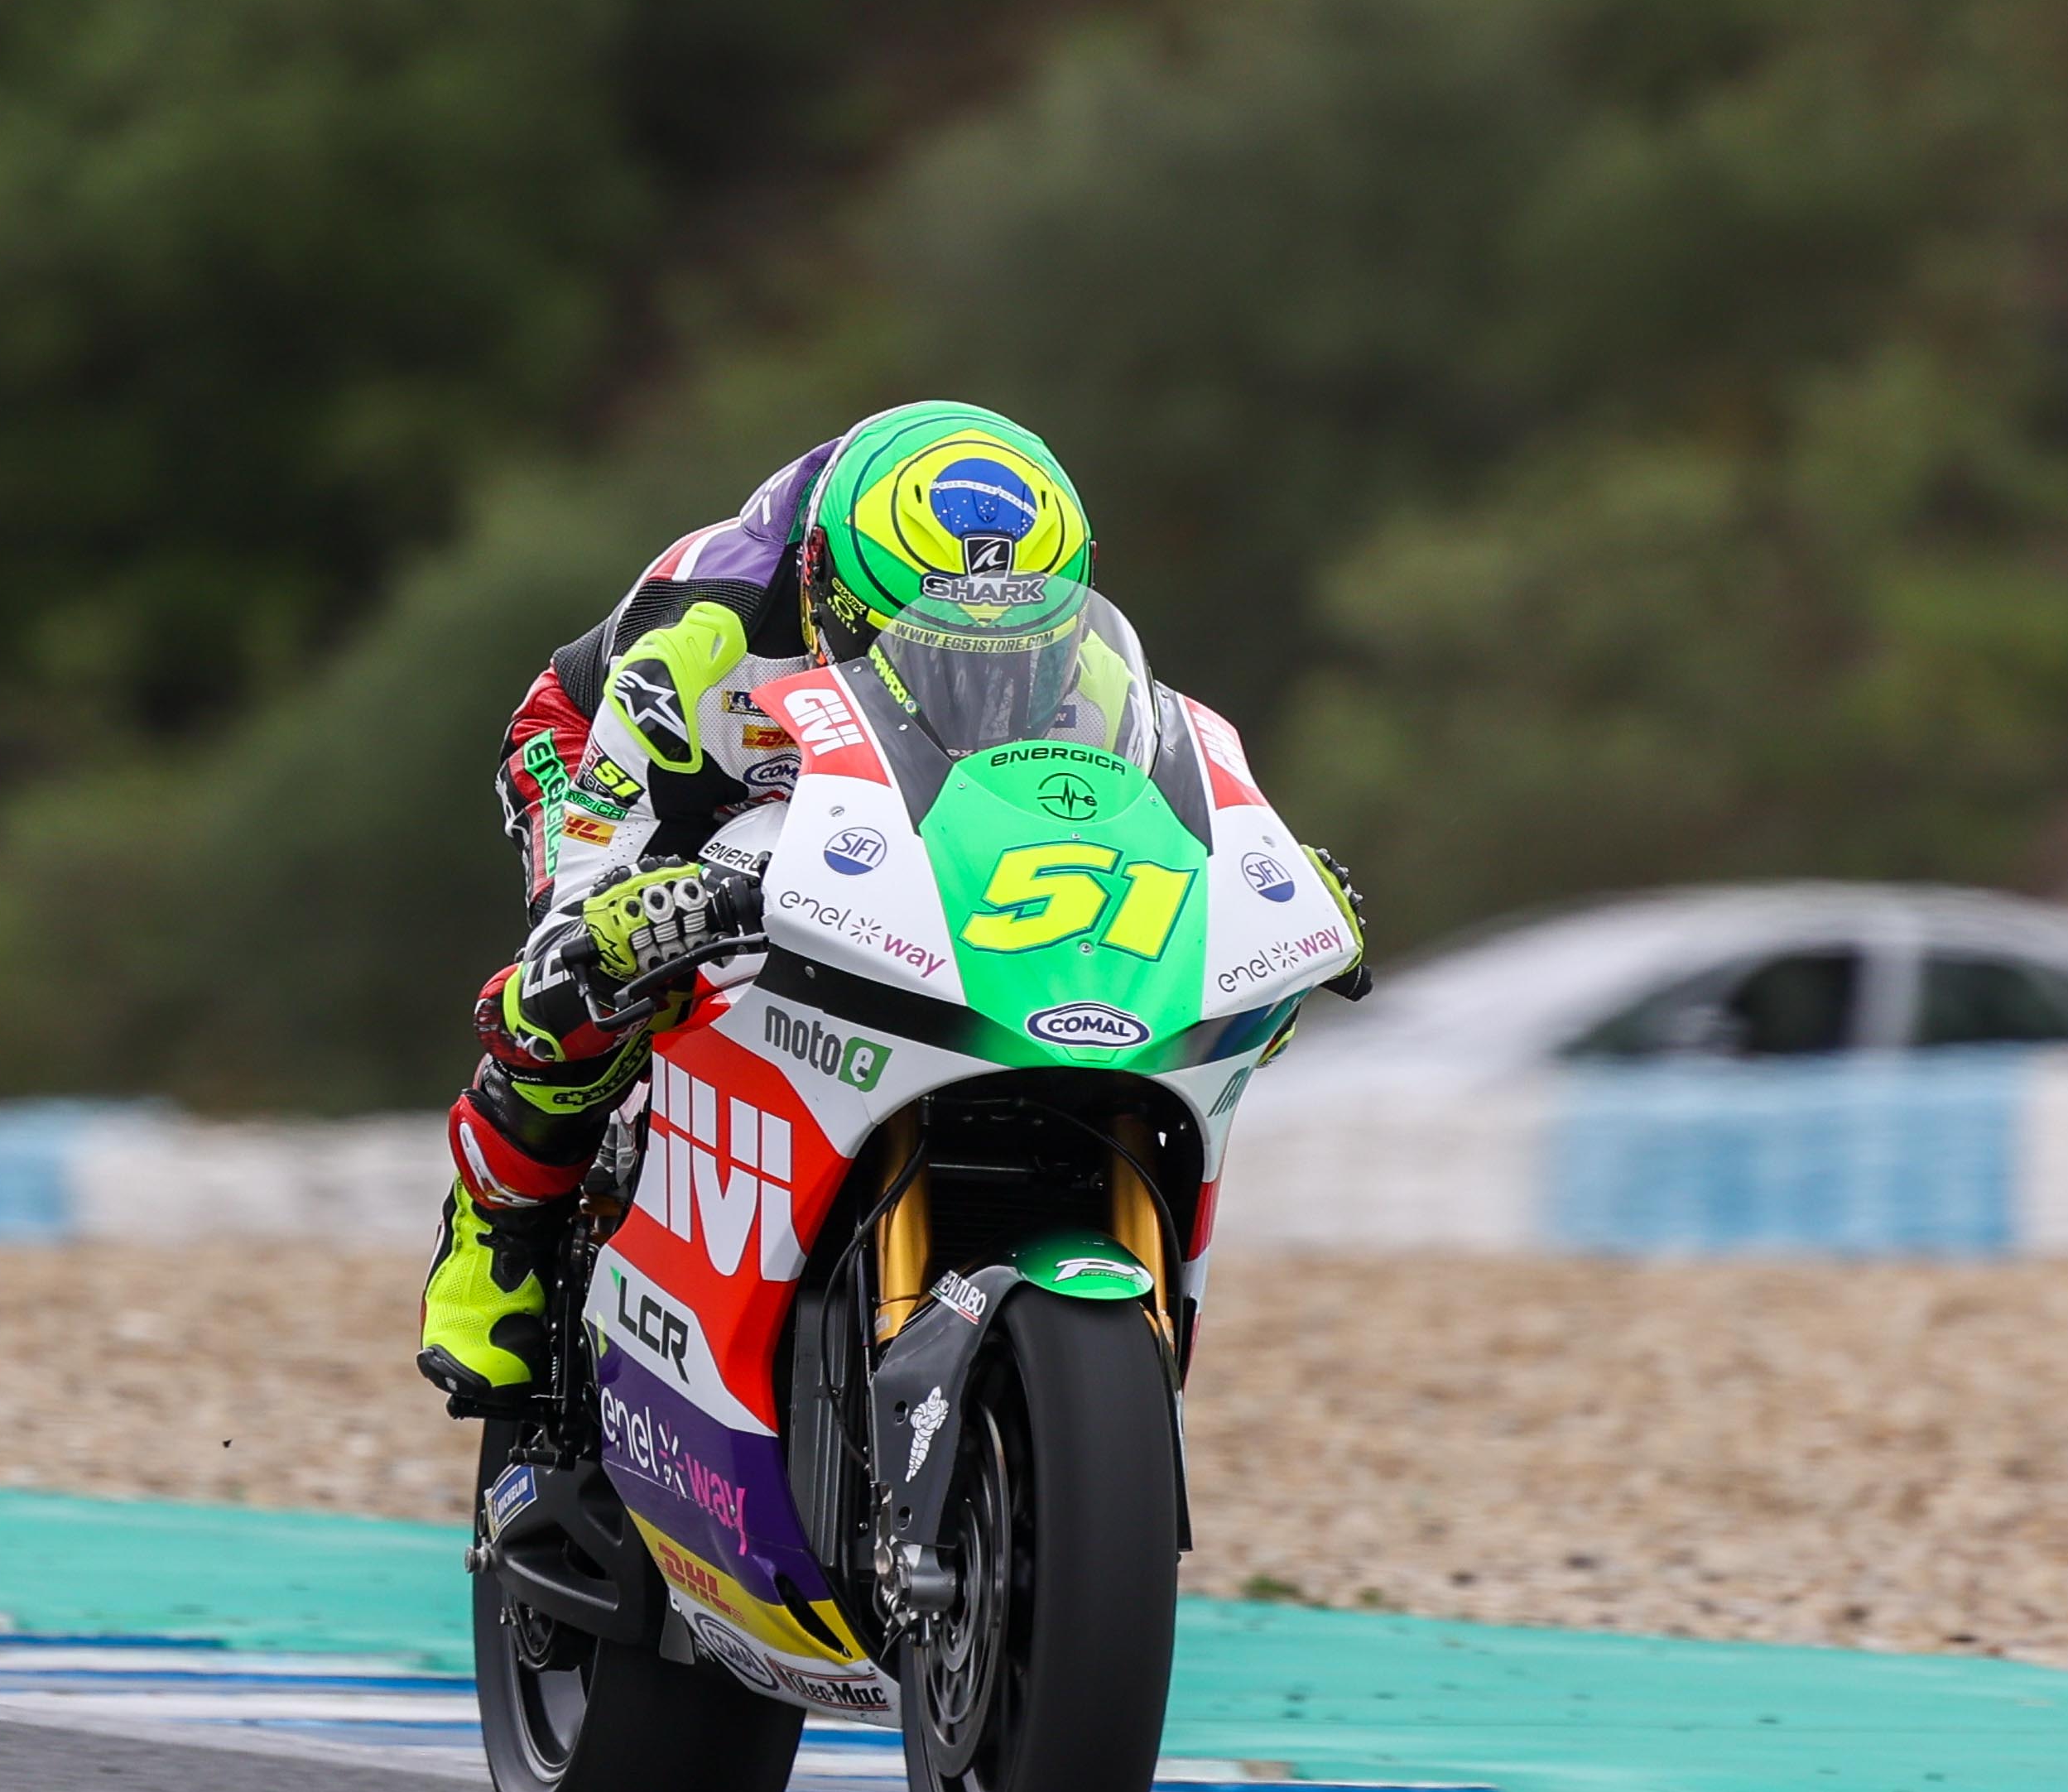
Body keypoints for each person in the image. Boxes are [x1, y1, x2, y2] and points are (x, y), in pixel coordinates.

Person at [416, 399, 1366, 1414]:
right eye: (930, 648)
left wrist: (1251, 880)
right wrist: (620, 918)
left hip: (861, 789)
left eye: (1011, 656)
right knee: (579, 984)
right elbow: (591, 897)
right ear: (826, 587)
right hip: (651, 767)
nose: (978, 682)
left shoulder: (1078, 660)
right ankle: (499, 1226)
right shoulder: (694, 641)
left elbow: (1133, 823)